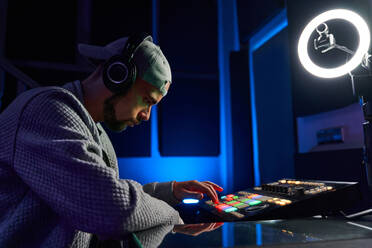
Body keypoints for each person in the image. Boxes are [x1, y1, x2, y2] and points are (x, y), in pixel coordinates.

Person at [0, 33, 223, 248]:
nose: (146, 116)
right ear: (118, 75)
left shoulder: (92, 128)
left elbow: (105, 192)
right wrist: (174, 215)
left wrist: (169, 192)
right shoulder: (47, 111)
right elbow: (111, 208)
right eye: (146, 100)